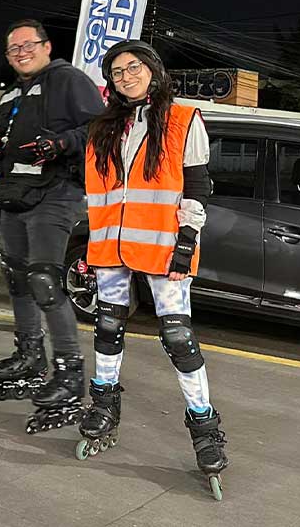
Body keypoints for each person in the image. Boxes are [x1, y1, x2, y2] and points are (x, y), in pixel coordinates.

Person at [78, 39, 228, 497]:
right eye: (117, 71)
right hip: (110, 247)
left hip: (164, 246)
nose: (126, 76)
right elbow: (98, 193)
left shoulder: (183, 119)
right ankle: (104, 403)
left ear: (153, 69)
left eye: (133, 67)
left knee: (177, 335)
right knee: (107, 325)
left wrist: (187, 242)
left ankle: (204, 426)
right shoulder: (104, 127)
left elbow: (197, 185)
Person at [0, 19, 103, 435]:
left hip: (56, 193)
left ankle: (69, 375)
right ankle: (30, 356)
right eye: (13, 48)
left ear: (47, 46)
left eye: (28, 45)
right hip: (14, 192)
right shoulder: (12, 91)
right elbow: (1, 140)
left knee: (46, 280)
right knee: (16, 278)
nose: (21, 52)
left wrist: (63, 143)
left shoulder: (68, 80)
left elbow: (99, 129)